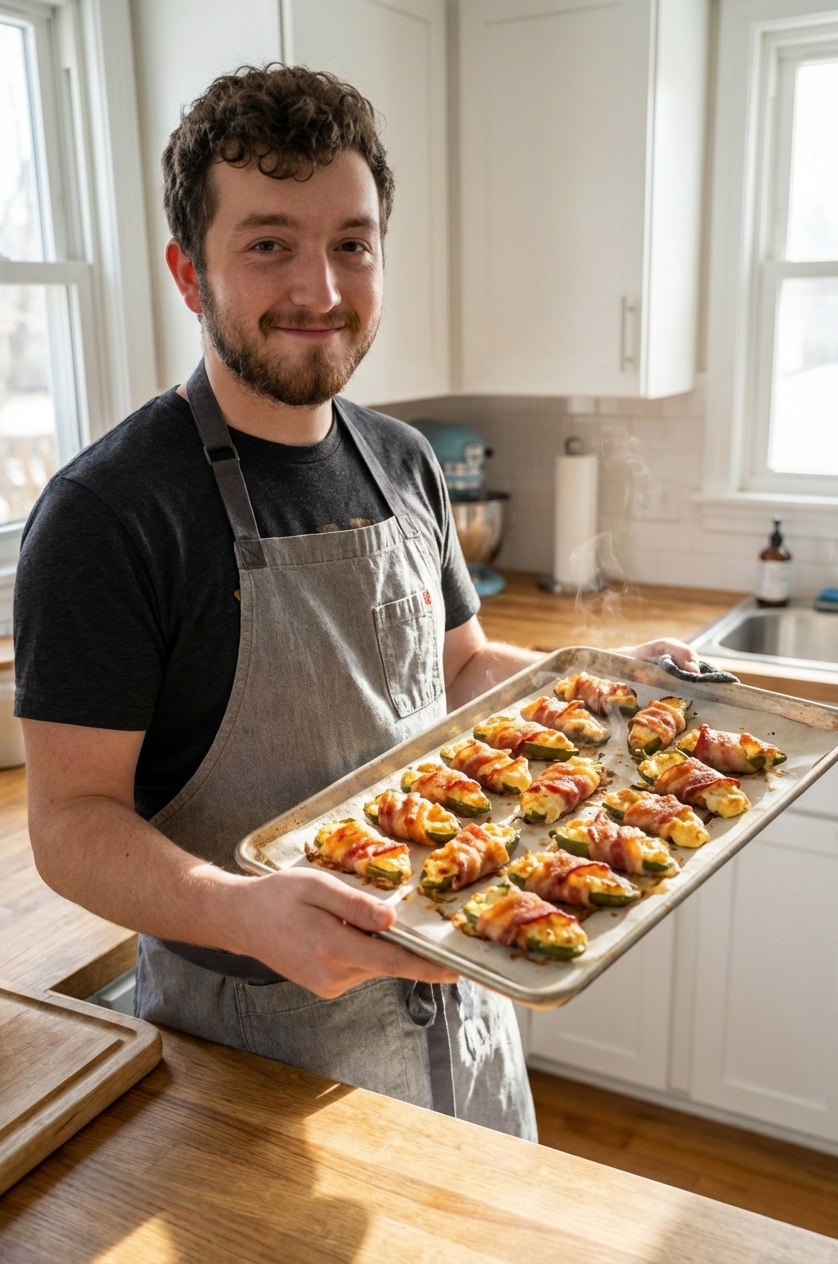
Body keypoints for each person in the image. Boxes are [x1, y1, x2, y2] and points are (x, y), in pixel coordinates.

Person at [15, 65, 700, 1138]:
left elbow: (458, 671)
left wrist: (604, 684)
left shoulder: (404, 459)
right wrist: (242, 909)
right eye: (268, 243)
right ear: (189, 273)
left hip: (462, 991)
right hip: (254, 1044)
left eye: (352, 243)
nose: (323, 290)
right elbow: (67, 822)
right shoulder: (109, 512)